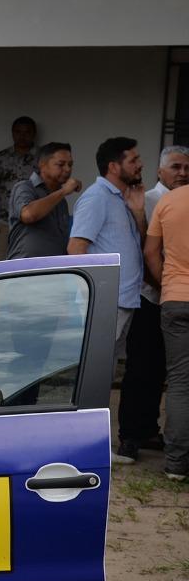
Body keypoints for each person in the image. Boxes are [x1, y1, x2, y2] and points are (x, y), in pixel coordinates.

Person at [69, 137, 146, 462]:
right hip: (106, 301)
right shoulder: (97, 197)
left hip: (122, 300)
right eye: (133, 160)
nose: (139, 165)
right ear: (114, 166)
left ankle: (97, 447)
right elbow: (76, 249)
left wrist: (139, 212)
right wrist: (93, 299)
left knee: (103, 375)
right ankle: (90, 448)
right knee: (95, 377)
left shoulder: (120, 197)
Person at [120, 146, 189, 463]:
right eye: (176, 167)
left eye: (187, 168)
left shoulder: (178, 199)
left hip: (172, 294)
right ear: (161, 170)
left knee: (166, 371)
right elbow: (144, 251)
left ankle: (149, 429)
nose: (183, 173)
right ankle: (131, 436)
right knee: (142, 368)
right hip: (151, 295)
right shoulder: (147, 200)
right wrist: (163, 285)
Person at [146, 182, 189, 479]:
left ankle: (176, 465)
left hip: (175, 298)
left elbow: (151, 251)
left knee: (179, 383)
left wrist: (168, 286)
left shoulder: (170, 200)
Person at [7, 143, 79, 259]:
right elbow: (28, 215)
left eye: (70, 165)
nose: (67, 169)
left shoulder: (60, 201)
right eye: (61, 164)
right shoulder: (25, 187)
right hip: (25, 269)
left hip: (53, 271)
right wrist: (63, 191)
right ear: (42, 165)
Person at [0, 116, 38, 259]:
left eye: (27, 132)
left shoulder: (42, 158)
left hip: (33, 223)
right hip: (4, 222)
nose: (22, 136)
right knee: (2, 264)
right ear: (12, 133)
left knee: (29, 264)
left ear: (34, 134)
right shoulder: (1, 158)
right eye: (18, 132)